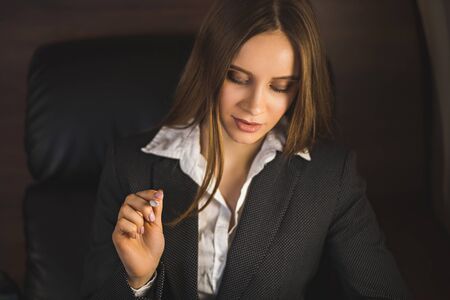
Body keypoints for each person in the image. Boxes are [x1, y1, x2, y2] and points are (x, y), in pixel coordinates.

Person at [81, 0, 411, 299]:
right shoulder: (128, 164)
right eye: (237, 78)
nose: (255, 106)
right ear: (209, 67)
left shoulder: (330, 177)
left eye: (280, 87)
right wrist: (140, 280)